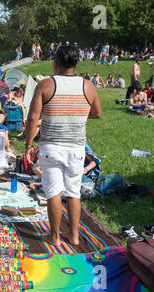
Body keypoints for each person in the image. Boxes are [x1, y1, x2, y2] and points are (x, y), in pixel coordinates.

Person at [24, 44, 102, 247]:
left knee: (53, 192)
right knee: (73, 192)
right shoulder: (88, 86)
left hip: (51, 147)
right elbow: (97, 113)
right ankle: (74, 235)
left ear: (56, 63)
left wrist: (28, 144)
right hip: (76, 148)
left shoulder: (46, 85)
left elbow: (33, 118)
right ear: (76, 63)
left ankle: (55, 236)